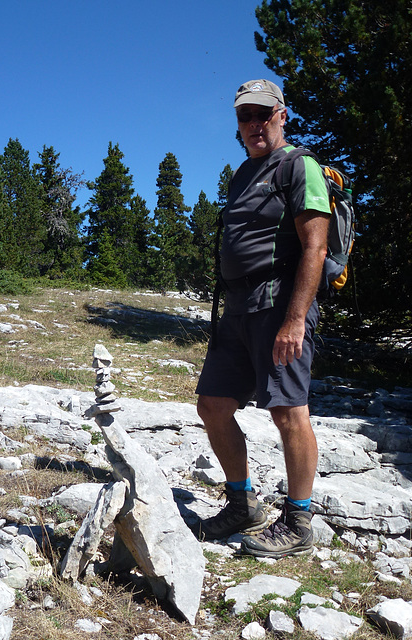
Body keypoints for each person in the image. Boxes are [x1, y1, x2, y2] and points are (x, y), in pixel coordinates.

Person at [195, 79, 331, 558]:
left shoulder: (299, 166)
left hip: (279, 305)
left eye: (262, 114)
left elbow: (315, 246)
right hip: (237, 309)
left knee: (287, 409)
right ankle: (241, 503)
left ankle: (298, 521)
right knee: (212, 404)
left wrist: (295, 320)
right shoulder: (243, 173)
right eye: (244, 116)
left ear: (281, 115)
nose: (253, 123)